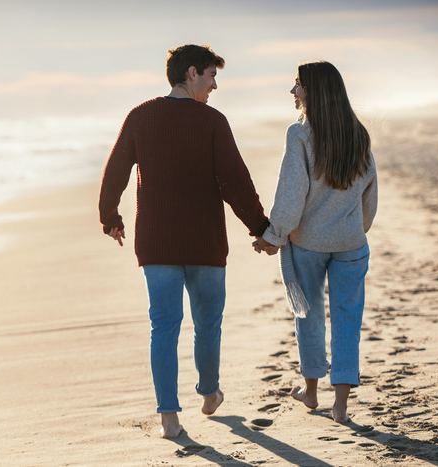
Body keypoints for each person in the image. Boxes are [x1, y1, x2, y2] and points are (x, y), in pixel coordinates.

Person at [99, 44, 269, 438]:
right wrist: (261, 228)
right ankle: (209, 394)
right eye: (211, 76)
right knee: (207, 324)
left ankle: (169, 418)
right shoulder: (212, 121)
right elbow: (235, 182)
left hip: (157, 242)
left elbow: (115, 171)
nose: (214, 85)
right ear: (191, 73)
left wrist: (110, 217)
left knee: (164, 326)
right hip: (205, 242)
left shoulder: (140, 116)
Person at [253, 61, 378, 423]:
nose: (293, 91)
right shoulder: (359, 134)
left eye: (298, 85)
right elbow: (369, 196)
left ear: (315, 91)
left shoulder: (300, 134)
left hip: (308, 244)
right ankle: (339, 406)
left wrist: (273, 236)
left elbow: (292, 195)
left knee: (307, 317)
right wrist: (355, 228)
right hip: (352, 245)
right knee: (347, 321)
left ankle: (310, 392)